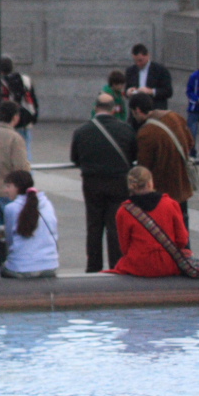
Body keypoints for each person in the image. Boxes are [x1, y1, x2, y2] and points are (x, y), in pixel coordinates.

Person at [70, 92, 137, 272]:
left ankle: (93, 267)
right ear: (114, 109)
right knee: (115, 227)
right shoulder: (126, 130)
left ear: (95, 108)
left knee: (94, 227)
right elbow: (133, 157)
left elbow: (75, 158)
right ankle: (116, 266)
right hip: (119, 184)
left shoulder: (81, 131)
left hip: (92, 184)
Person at [108, 166, 199, 278]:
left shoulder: (124, 211)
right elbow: (182, 240)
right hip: (168, 263)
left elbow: (124, 247)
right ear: (150, 183)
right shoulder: (170, 204)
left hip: (139, 265)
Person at [130, 94, 196, 224]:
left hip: (163, 191)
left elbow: (144, 167)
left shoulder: (146, 133)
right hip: (182, 185)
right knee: (182, 226)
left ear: (137, 110)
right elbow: (190, 142)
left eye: (133, 113)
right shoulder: (174, 116)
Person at [0, 170, 60, 279]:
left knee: (2, 269)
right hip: (50, 265)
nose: (5, 190)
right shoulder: (47, 204)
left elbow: (9, 241)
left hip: (21, 267)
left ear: (18, 187)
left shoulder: (11, 208)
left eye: (8, 186)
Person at [124, 43, 173, 111]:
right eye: (135, 61)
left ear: (147, 56)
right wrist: (128, 91)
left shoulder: (160, 70)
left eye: (140, 60)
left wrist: (151, 91)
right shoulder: (130, 71)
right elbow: (125, 89)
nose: (138, 63)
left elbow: (168, 91)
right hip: (136, 112)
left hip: (155, 110)